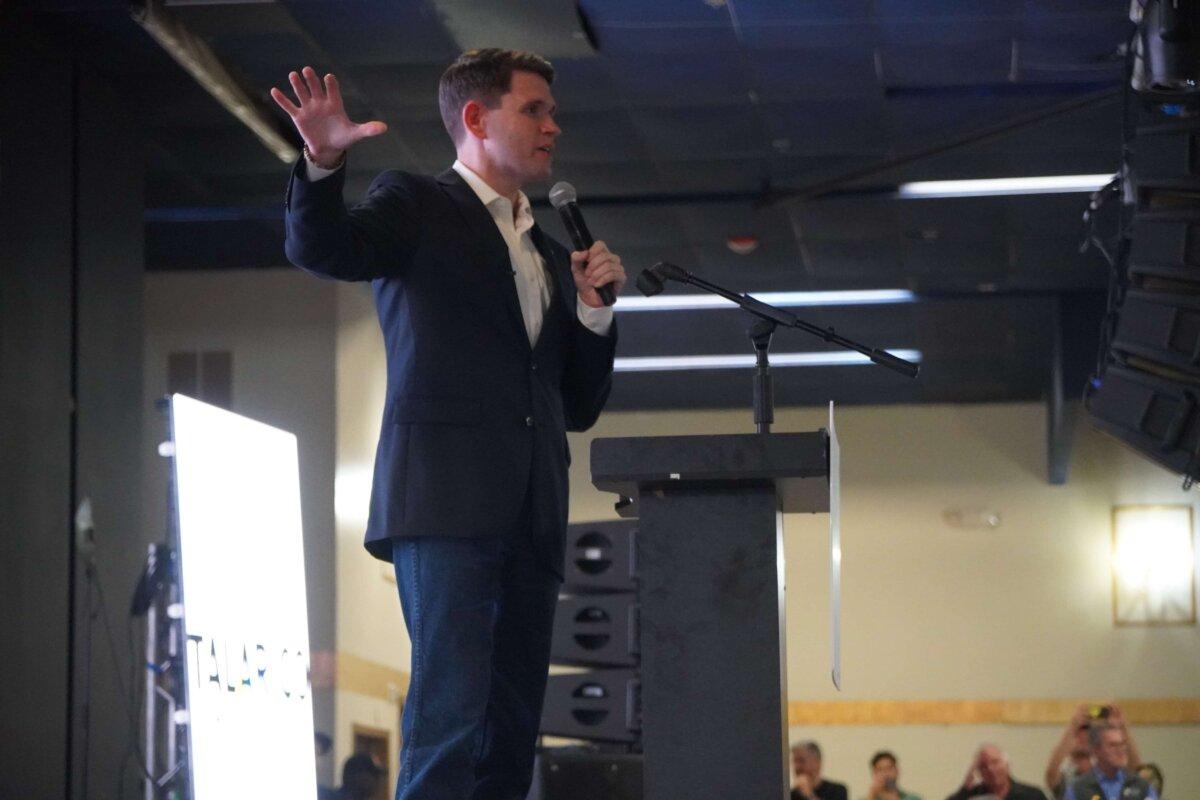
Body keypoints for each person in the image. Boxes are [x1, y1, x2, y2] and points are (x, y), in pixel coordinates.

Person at [273, 48, 624, 800]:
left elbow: (578, 405)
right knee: (450, 720)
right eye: (534, 110)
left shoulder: (549, 253)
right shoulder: (417, 204)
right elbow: (324, 247)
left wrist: (594, 316)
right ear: (475, 117)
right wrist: (323, 162)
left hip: (533, 513)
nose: (552, 127)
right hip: (445, 504)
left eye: (551, 113)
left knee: (510, 734)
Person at [1043, 704, 1143, 798]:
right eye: (1084, 729)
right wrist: (1073, 726)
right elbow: (1051, 773)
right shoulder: (1069, 778)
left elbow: (1137, 771)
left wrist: (1121, 727)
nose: (1088, 735)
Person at [1063, 724, 1157, 800]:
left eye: (1122, 744)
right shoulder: (1079, 789)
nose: (1120, 750)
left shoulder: (1141, 786)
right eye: (1113, 745)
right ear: (1096, 750)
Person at [945, 744, 1047, 800]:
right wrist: (965, 789)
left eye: (995, 762)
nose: (990, 769)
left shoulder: (1032, 795)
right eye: (984, 766)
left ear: (1007, 764)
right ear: (978, 772)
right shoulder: (972, 795)